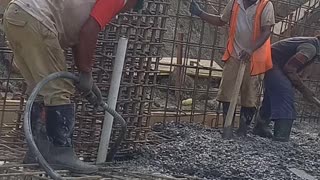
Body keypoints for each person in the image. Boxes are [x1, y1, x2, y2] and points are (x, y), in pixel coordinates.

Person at [2, 0, 144, 174]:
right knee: (58, 90)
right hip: (36, 18)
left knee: (40, 89)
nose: (126, 11)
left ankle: (37, 153)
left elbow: (79, 37)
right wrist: (86, 73)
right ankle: (61, 153)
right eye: (132, 8)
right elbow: (89, 31)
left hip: (15, 16)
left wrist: (85, 75)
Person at [189, 0, 275, 136]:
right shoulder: (235, 3)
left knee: (250, 94)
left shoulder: (265, 5)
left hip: (255, 57)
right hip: (234, 54)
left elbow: (266, 31)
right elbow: (221, 20)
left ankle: (243, 130)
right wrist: (200, 13)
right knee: (227, 91)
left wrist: (250, 49)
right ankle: (227, 127)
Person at [253, 36, 320, 142]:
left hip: (271, 59)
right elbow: (289, 68)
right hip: (271, 61)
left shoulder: (312, 44)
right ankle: (281, 136)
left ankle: (260, 127)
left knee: (275, 92)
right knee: (285, 93)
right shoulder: (310, 48)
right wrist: (304, 89)